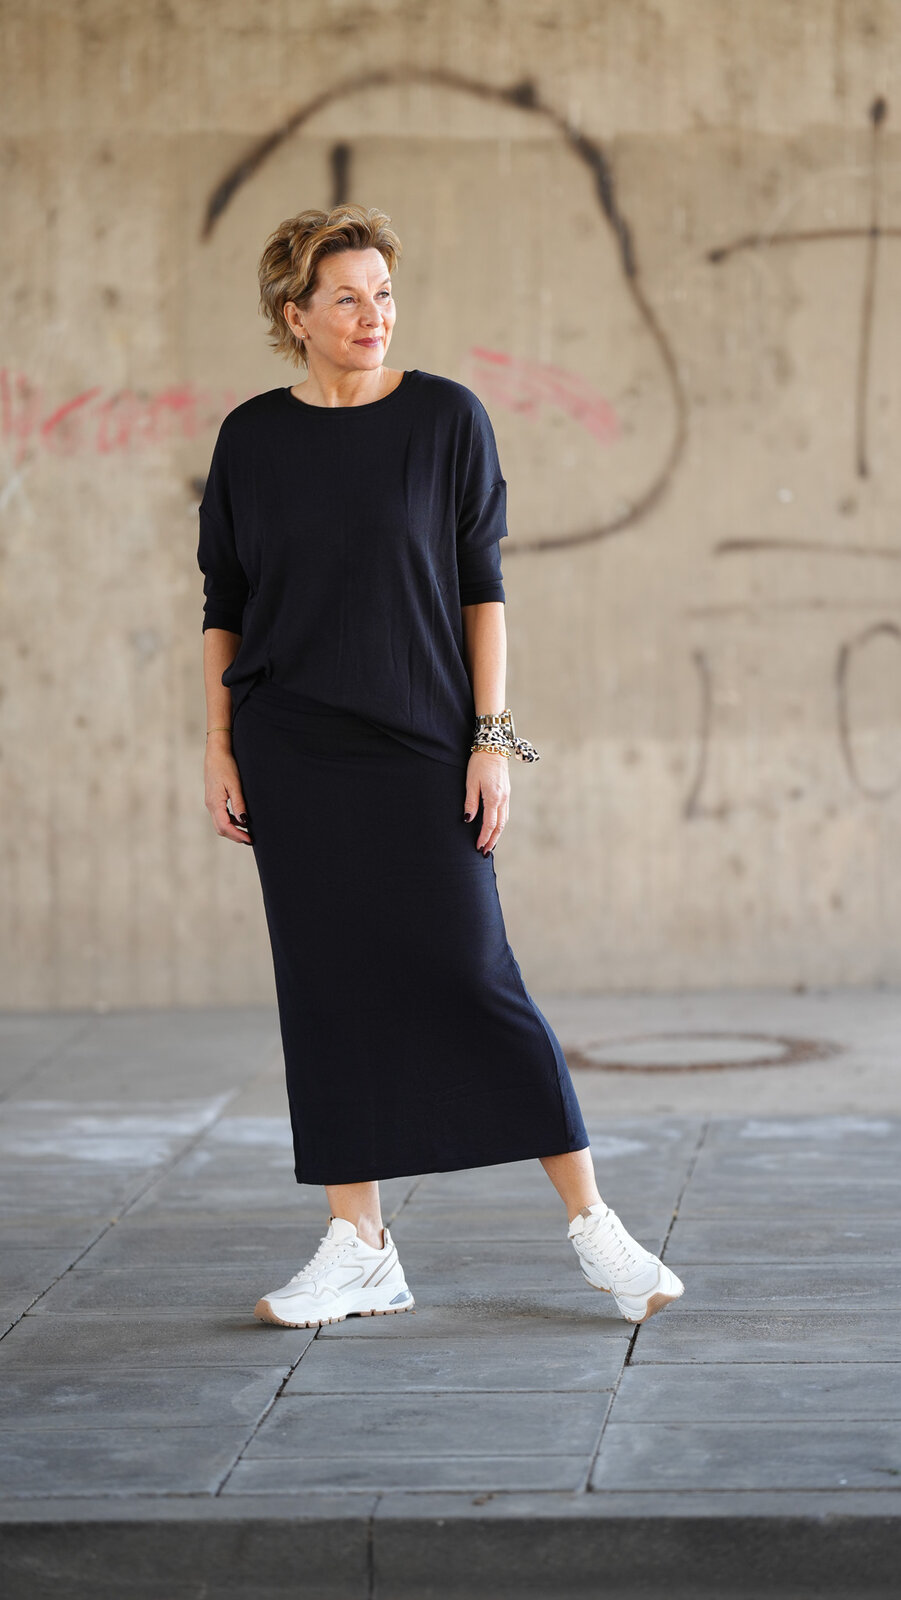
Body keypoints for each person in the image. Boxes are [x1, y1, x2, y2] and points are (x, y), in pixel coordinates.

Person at [197, 203, 684, 1330]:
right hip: (290, 746)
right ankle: (359, 1243)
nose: (373, 315)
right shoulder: (251, 438)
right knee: (325, 987)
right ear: (294, 315)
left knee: (472, 972)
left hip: (421, 741)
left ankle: (593, 1224)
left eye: (383, 294)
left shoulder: (444, 417)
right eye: (346, 298)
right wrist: (218, 743)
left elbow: (481, 587)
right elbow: (226, 603)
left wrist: (490, 737)